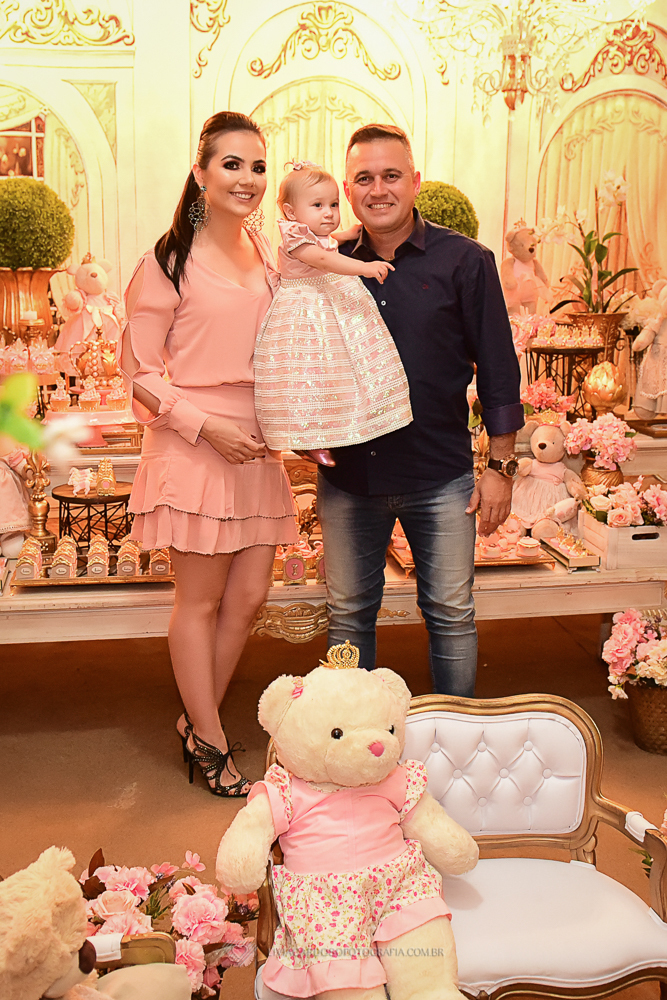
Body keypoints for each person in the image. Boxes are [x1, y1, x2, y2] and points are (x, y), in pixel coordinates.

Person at [119, 112, 298, 795]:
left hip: (257, 444)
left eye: (258, 166)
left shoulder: (268, 254)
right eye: (231, 164)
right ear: (200, 174)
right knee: (199, 602)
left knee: (248, 598)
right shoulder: (166, 261)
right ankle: (212, 742)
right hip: (194, 442)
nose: (247, 178)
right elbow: (138, 372)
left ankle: (197, 724)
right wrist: (205, 426)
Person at [317, 124, 524, 697]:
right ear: (347, 189)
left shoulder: (465, 261)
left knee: (451, 613)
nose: (378, 189)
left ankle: (457, 736)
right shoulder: (325, 264)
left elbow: (499, 368)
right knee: (347, 614)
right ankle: (349, 735)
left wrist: (501, 468)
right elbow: (300, 352)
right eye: (364, 178)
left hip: (441, 478)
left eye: (391, 175)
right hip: (349, 478)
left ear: (414, 181)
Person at [253, 161, 412, 467]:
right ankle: (307, 438)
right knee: (310, 375)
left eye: (334, 204)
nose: (328, 212)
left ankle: (360, 420)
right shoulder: (294, 237)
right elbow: (325, 260)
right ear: (290, 212)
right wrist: (364, 268)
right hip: (306, 311)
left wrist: (346, 233)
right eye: (318, 205)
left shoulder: (312, 234)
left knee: (343, 370)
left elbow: (327, 243)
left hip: (326, 303)